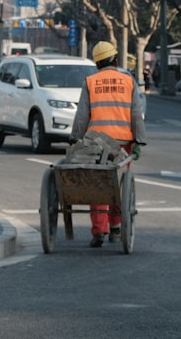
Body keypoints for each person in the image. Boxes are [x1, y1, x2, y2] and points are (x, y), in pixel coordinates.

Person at [71, 41, 148, 248]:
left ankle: (99, 231)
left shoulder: (90, 81)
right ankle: (116, 227)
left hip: (95, 144)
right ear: (115, 59)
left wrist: (76, 138)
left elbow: (82, 116)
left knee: (97, 185)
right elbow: (136, 115)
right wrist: (139, 141)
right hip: (123, 144)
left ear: (97, 63)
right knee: (117, 183)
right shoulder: (128, 80)